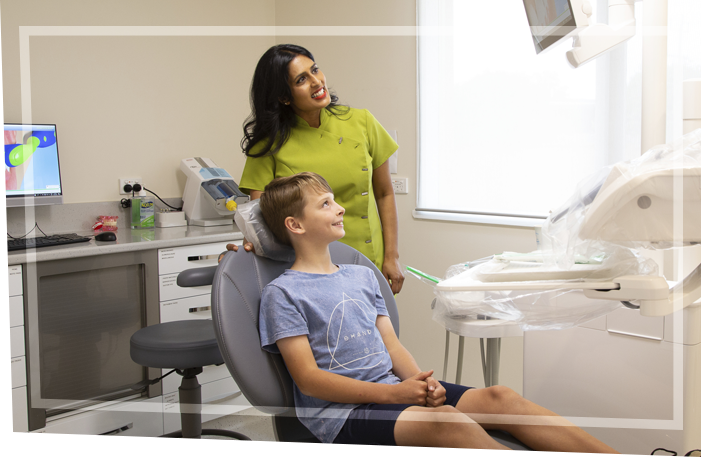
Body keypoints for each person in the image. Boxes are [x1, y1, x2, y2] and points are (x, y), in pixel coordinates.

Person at [256, 172, 626, 457]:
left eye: (334, 200)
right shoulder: (283, 293)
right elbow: (308, 380)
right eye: (325, 204)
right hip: (342, 416)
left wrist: (421, 383)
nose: (339, 208)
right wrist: (396, 395)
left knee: (502, 398)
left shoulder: (360, 275)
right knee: (448, 421)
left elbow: (392, 346)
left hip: (392, 390)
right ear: (295, 225)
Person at [226, 44, 404, 294]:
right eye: (301, 79)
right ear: (284, 97)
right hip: (307, 270)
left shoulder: (362, 121)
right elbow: (262, 219)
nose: (316, 81)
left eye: (315, 70)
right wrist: (247, 249)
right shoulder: (270, 145)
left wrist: (391, 256)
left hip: (368, 259)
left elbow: (385, 193)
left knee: (378, 330)